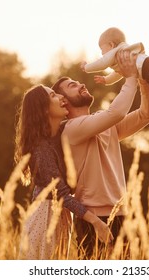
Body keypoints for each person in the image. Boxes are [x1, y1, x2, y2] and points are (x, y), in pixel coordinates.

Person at [52, 50, 149, 259]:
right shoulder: (70, 129)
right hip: (93, 219)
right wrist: (129, 77)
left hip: (122, 213)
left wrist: (143, 79)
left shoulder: (104, 122)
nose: (81, 84)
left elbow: (148, 113)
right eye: (73, 85)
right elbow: (116, 112)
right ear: (63, 101)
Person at [14, 84, 113, 260]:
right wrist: (97, 222)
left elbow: (89, 124)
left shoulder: (62, 133)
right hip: (46, 217)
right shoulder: (40, 148)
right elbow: (60, 194)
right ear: (43, 110)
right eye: (53, 95)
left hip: (60, 216)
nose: (62, 98)